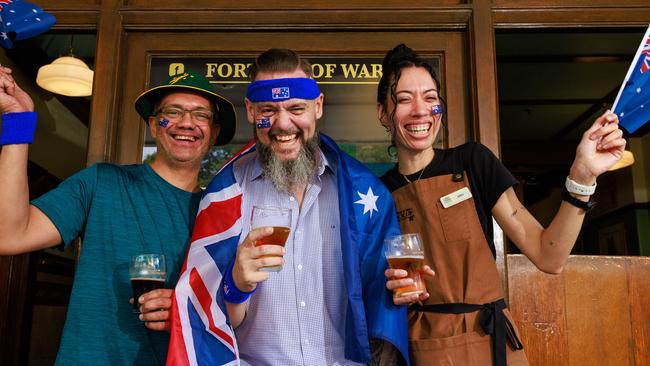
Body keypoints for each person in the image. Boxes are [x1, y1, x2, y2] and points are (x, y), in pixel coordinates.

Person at [376, 44, 626, 366]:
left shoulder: (472, 162)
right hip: (418, 349)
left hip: (489, 344)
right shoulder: (378, 195)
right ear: (383, 112)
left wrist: (582, 175)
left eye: (430, 97)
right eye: (404, 98)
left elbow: (549, 255)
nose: (421, 110)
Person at [167, 48, 409, 366]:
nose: (283, 124)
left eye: (296, 108)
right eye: (269, 109)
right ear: (251, 110)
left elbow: (382, 308)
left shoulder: (364, 192)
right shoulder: (225, 196)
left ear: (317, 106)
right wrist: (236, 283)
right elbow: (208, 322)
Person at [0, 68, 237, 365]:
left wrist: (187, 312)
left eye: (201, 115)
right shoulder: (101, 182)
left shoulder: (222, 215)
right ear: (154, 125)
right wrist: (17, 121)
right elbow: (9, 234)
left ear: (214, 132)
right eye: (173, 112)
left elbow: (238, 310)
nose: (186, 122)